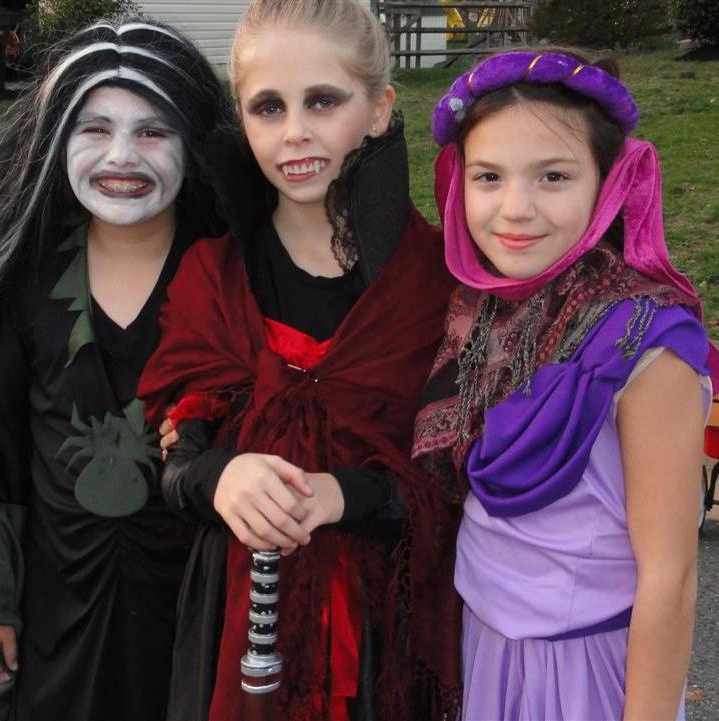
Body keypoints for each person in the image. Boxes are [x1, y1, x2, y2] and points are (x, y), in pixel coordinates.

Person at [0, 17, 233, 721]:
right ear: (56, 141)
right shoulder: (25, 283)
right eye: (94, 129)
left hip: (195, 605)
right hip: (56, 609)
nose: (121, 155)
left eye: (153, 131)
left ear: (193, 141)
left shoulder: (229, 277)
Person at [136, 1, 462, 719]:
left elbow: (452, 488)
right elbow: (177, 468)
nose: (294, 132)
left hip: (380, 637)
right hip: (236, 623)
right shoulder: (213, 277)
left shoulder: (437, 284)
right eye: (268, 107)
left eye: (323, 101)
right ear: (242, 121)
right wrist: (223, 476)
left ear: (379, 109)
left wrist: (345, 494)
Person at [413, 49, 717, 720]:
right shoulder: (477, 310)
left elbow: (670, 577)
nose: (515, 209)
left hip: (588, 673)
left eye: (553, 176)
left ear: (609, 183)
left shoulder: (646, 346)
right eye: (489, 177)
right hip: (486, 650)